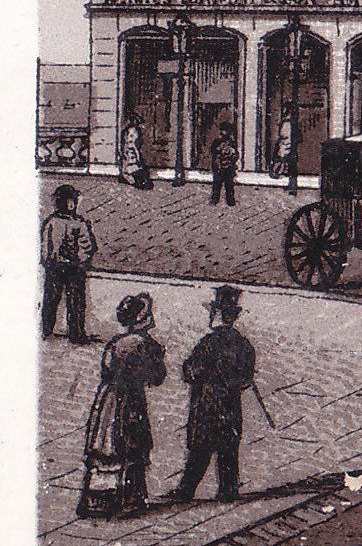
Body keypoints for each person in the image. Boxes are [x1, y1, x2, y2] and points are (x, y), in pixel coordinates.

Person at [78, 293, 167, 518]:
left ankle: (97, 501)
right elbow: (157, 377)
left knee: (107, 443)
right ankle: (131, 498)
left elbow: (106, 369)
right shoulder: (147, 345)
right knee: (133, 444)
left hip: (108, 398)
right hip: (131, 399)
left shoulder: (115, 343)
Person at [171, 285, 257, 503]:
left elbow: (191, 371)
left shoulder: (208, 343)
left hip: (208, 402)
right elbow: (246, 378)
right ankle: (228, 490)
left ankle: (186, 490)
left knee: (200, 449)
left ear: (217, 314)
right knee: (228, 448)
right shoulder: (243, 344)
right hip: (230, 404)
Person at [40, 185, 97, 344]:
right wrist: (48, 260)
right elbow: (46, 244)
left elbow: (86, 246)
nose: (70, 205)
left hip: (70, 267)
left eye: (72, 201)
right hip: (58, 267)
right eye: (68, 201)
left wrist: (80, 260)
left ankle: (75, 332)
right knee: (54, 299)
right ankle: (48, 328)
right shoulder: (55, 222)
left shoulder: (76, 223)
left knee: (74, 302)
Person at [209, 120, 239, 207]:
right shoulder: (217, 142)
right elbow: (213, 151)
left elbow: (236, 154)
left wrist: (233, 157)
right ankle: (215, 199)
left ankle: (230, 201)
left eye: (226, 131)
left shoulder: (231, 143)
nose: (223, 133)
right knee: (216, 184)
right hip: (219, 167)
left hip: (228, 167)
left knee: (229, 185)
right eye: (222, 131)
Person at [118, 118, 153, 191]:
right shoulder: (132, 132)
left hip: (131, 159)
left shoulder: (131, 132)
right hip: (130, 158)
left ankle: (131, 177)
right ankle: (131, 178)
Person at [273, 109, 299, 194]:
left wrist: (282, 145)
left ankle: (292, 186)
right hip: (291, 147)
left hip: (287, 147)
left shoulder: (287, 123)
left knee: (288, 165)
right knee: (292, 167)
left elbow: (284, 135)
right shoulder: (293, 123)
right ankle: (292, 185)